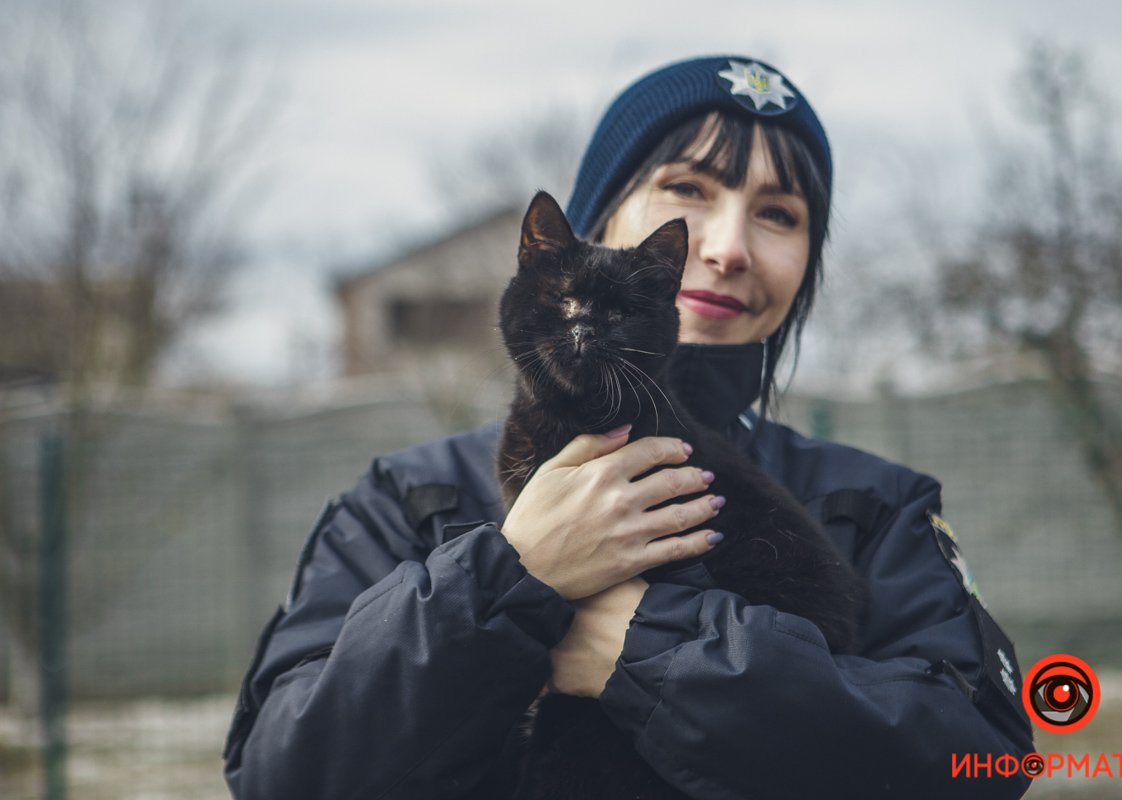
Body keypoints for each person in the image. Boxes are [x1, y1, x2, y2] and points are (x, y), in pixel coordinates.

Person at [223, 55, 1035, 799]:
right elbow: (283, 776)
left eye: (780, 214)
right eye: (688, 190)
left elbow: (984, 765)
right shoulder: (408, 500)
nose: (726, 248)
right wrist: (508, 583)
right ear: (593, 222)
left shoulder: (874, 507)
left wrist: (648, 651)